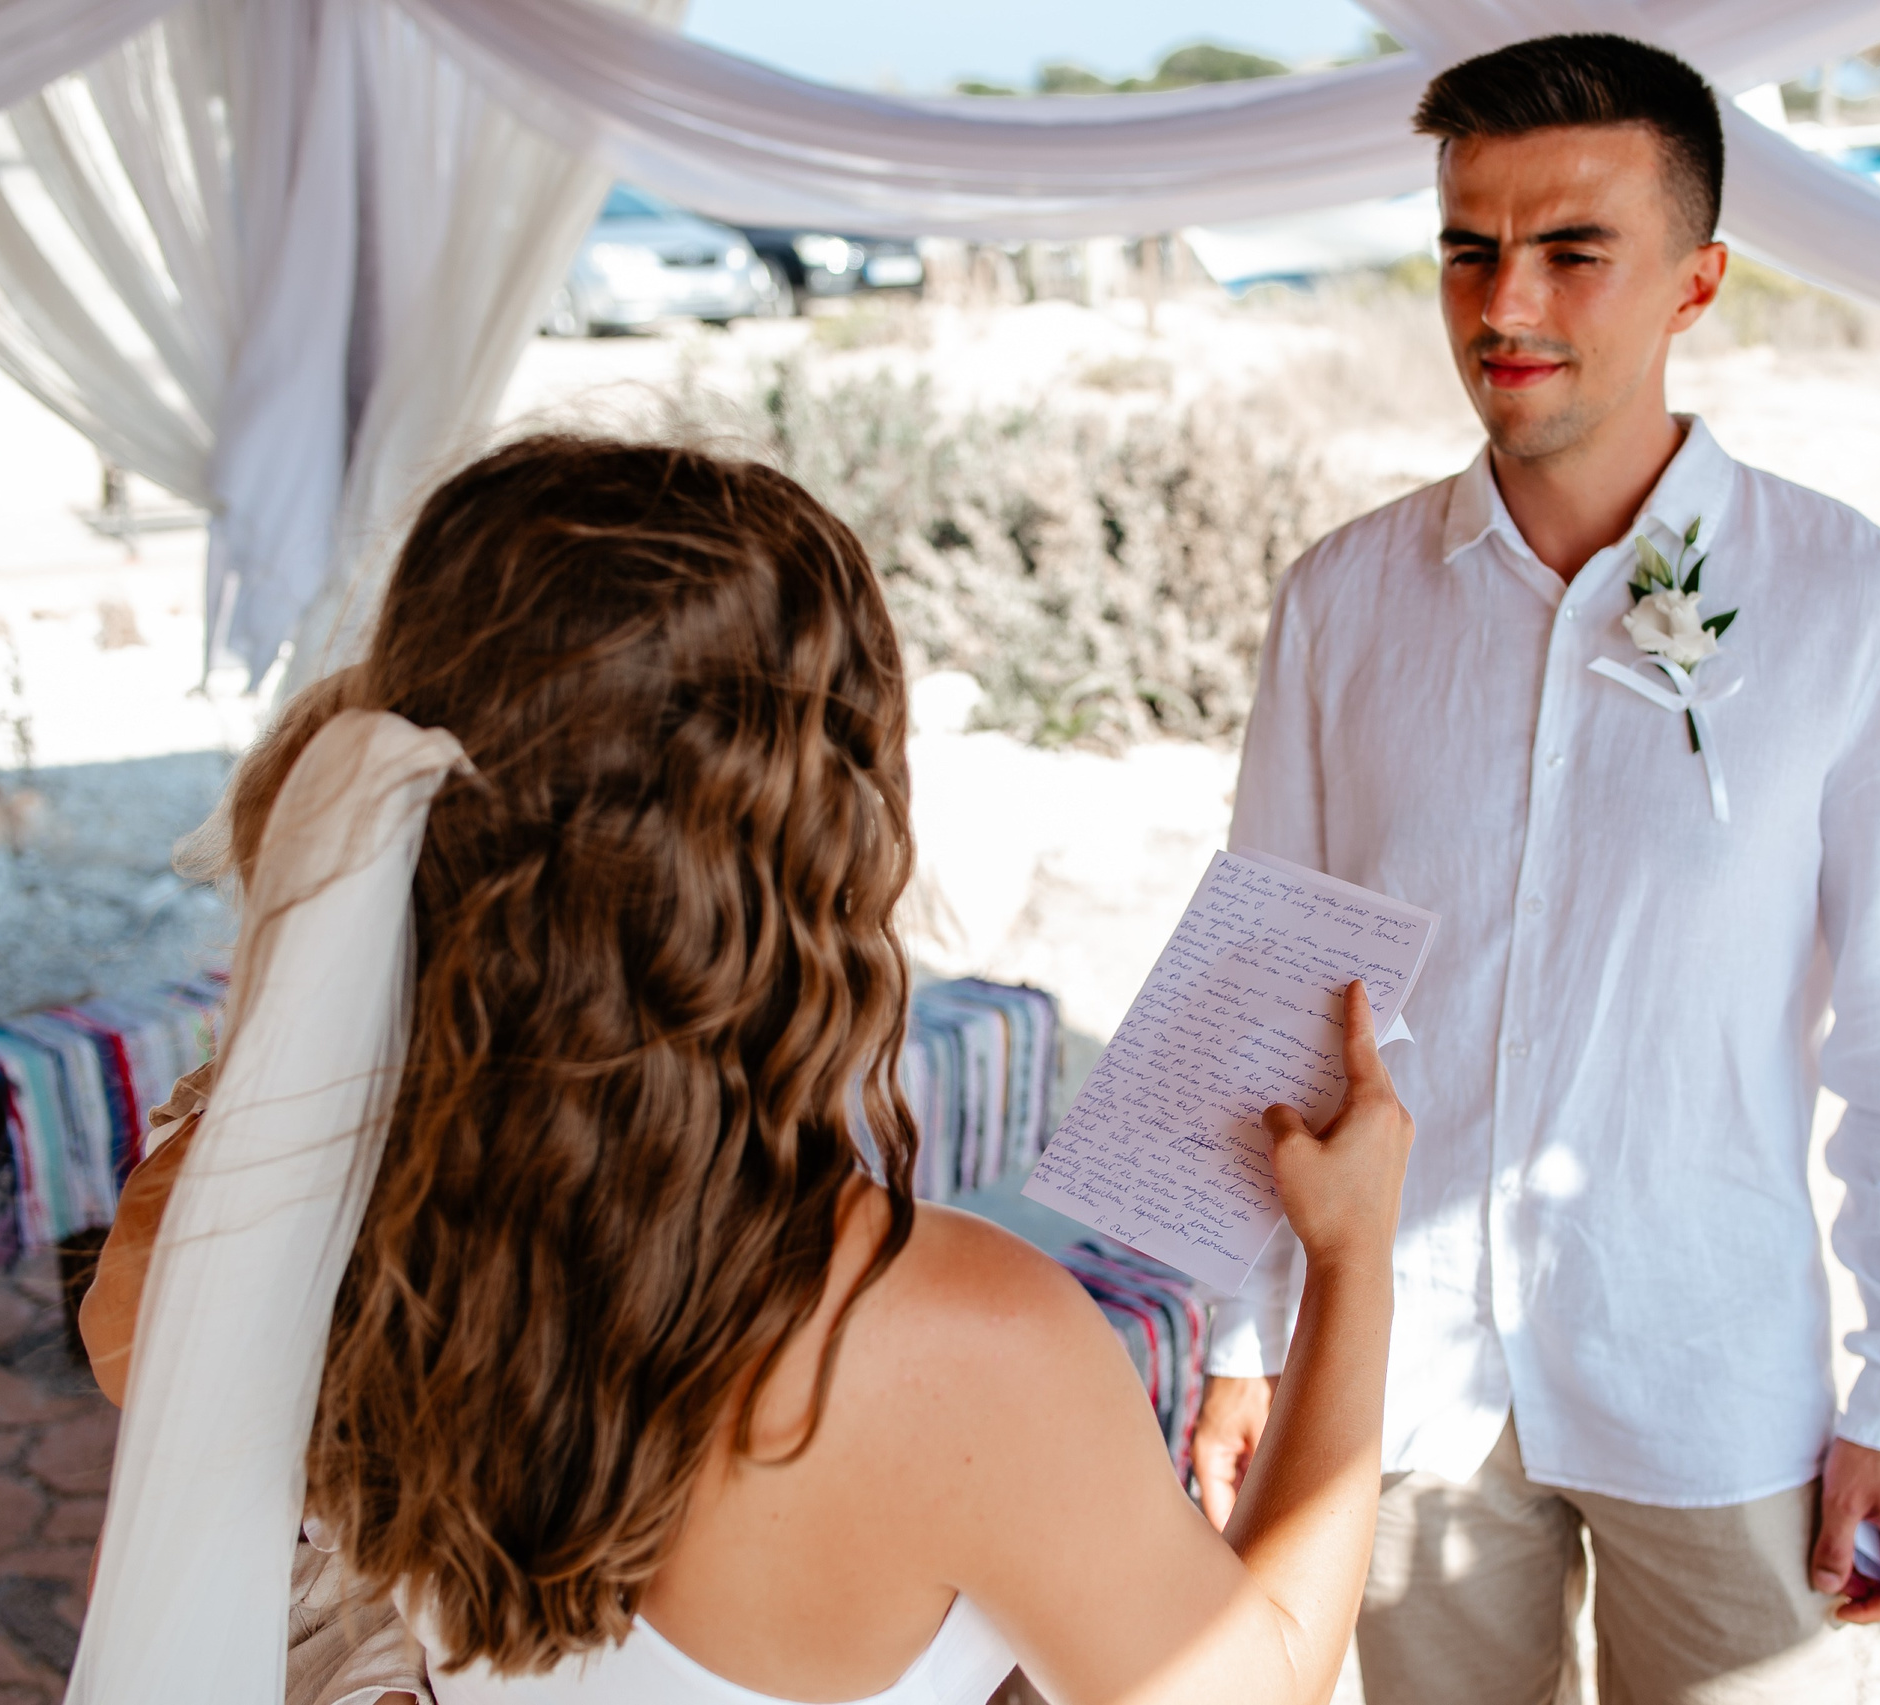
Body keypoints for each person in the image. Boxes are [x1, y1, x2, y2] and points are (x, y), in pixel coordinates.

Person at [74, 436, 1416, 1705]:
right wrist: (1353, 1256)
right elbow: (1263, 1679)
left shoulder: (268, 1203)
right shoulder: (965, 1343)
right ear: (816, 846)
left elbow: (130, 1349)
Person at [1188, 34, 1880, 1705]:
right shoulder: (1341, 602)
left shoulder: (1864, 609)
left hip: (1708, 1366)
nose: (1504, 304)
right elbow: (1263, 990)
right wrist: (1246, 1334)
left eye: (1571, 250)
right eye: (1469, 248)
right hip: (1398, 1383)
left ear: (1696, 282)